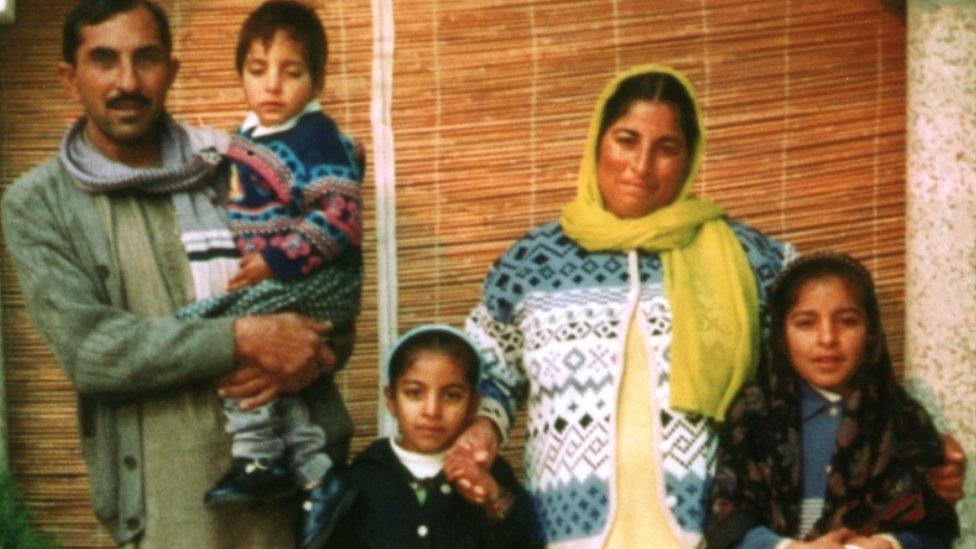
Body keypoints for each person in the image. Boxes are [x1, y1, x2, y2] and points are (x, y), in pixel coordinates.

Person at [445, 64, 967, 547]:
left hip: (713, 530)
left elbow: (833, 353)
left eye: (666, 147)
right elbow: (489, 363)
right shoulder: (534, 260)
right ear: (597, 141)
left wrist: (918, 446)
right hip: (569, 526)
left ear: (691, 156)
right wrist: (484, 425)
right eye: (626, 140)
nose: (641, 166)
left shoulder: (754, 260)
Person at [0, 0, 353, 546]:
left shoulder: (235, 165)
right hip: (168, 508)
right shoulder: (39, 204)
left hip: (293, 498)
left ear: (172, 69)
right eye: (104, 60)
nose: (127, 81)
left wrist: (311, 356)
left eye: (146, 58)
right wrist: (243, 337)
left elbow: (332, 286)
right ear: (71, 77)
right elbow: (93, 351)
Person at [177, 4, 363, 547]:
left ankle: (258, 457)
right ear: (241, 74)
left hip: (316, 280)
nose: (273, 85)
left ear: (317, 78)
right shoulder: (255, 132)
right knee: (262, 362)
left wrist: (275, 260)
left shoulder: (317, 139)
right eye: (258, 69)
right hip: (283, 279)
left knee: (207, 326)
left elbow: (340, 216)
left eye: (292, 71)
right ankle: (319, 476)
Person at [706, 252, 959, 548]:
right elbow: (727, 518)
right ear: (780, 334)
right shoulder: (752, 415)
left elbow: (934, 526)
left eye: (847, 321)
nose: (827, 338)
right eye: (806, 323)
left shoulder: (900, 417)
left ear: (872, 330)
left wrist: (890, 543)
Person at [326, 325, 540, 549]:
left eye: (452, 396)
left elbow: (524, 539)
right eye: (415, 393)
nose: (432, 411)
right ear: (391, 399)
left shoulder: (488, 471)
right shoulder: (362, 479)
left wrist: (494, 498)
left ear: (472, 405)